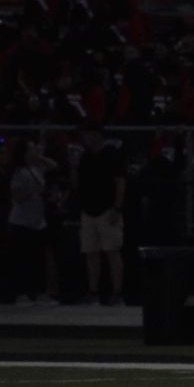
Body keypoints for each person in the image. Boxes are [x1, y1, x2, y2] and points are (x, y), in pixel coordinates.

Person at [73, 123, 126, 305]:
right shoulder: (85, 156)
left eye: (88, 134)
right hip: (88, 211)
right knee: (91, 253)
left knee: (112, 252)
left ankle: (117, 293)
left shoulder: (111, 154)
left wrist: (117, 208)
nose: (85, 138)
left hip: (107, 210)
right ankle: (93, 291)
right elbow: (78, 183)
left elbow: (120, 181)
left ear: (97, 134)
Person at [8, 138, 57, 304]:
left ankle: (40, 291)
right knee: (23, 259)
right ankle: (22, 293)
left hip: (37, 221)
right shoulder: (19, 172)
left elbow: (53, 165)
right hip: (22, 222)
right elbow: (16, 196)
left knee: (39, 259)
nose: (35, 152)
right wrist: (34, 191)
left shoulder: (37, 168)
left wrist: (40, 157)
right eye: (31, 150)